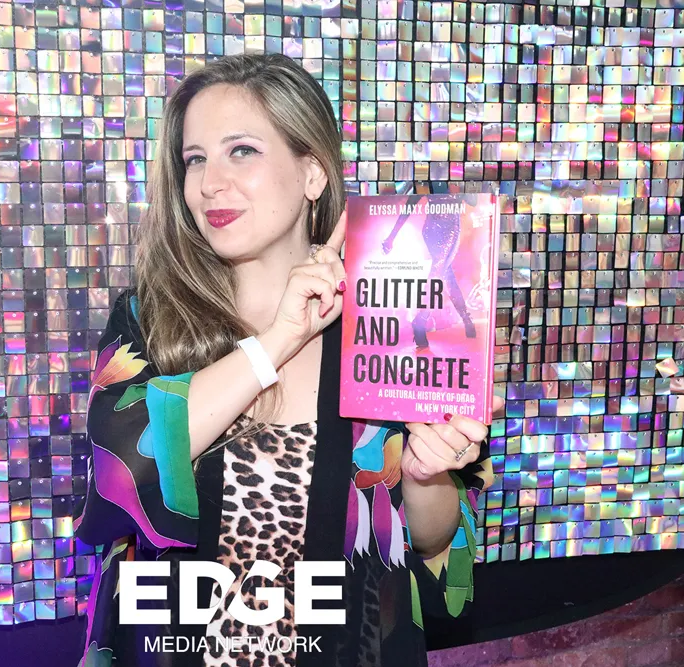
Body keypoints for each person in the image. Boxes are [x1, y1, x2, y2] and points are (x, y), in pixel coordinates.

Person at [73, 53, 501, 667]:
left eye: (241, 151)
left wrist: (426, 473)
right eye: (195, 159)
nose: (209, 183)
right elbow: (122, 473)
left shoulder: (392, 326)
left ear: (313, 174)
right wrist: (277, 339)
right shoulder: (150, 320)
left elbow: (432, 552)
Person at [381, 206, 477, 351]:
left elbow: (473, 201)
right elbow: (411, 203)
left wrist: (391, 237)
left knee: (445, 273)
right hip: (442, 229)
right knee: (440, 270)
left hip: (439, 229)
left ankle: (465, 318)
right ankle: (423, 317)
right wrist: (391, 237)